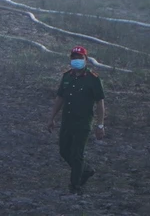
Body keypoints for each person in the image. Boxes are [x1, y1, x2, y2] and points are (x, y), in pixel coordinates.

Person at [47, 45, 106, 195]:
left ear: (86, 59)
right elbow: (60, 98)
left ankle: (75, 185)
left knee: (77, 154)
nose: (77, 60)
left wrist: (100, 125)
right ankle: (85, 170)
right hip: (67, 121)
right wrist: (52, 117)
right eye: (74, 58)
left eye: (80, 58)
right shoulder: (67, 76)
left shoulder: (93, 79)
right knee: (64, 150)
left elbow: (100, 103)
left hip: (83, 123)